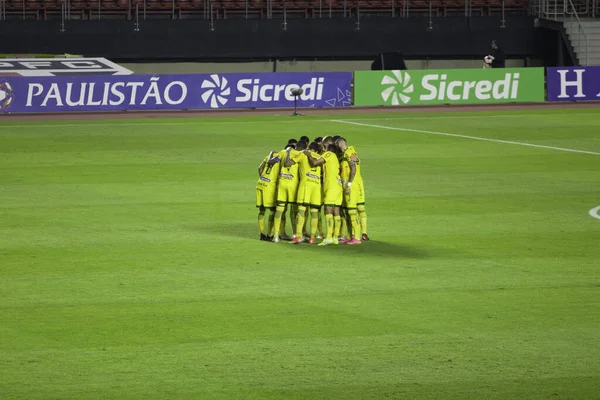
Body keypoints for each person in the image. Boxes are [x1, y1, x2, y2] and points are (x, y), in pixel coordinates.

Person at [304, 142, 343, 246]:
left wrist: (308, 155)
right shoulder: (335, 159)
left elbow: (315, 163)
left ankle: (329, 237)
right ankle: (335, 238)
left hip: (331, 187)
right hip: (338, 186)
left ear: (329, 149)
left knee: (328, 211)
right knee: (336, 211)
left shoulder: (329, 154)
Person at [289, 140, 322, 244]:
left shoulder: (302, 154)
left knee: (301, 211)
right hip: (316, 186)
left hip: (306, 185)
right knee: (314, 213)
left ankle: (298, 236)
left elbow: (288, 163)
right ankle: (312, 238)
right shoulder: (320, 156)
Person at [336, 137, 366, 245]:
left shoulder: (349, 153)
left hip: (351, 188)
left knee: (352, 212)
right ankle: (350, 236)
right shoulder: (349, 153)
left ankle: (357, 237)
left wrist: (349, 184)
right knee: (348, 212)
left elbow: (353, 168)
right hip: (349, 186)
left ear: (339, 144)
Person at [271, 140, 300, 243]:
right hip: (294, 186)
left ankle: (276, 236)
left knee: (280, 210)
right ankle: (296, 234)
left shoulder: (282, 153)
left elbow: (272, 162)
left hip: (282, 184)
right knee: (295, 211)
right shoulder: (298, 154)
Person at [256, 149, 280, 241]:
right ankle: (269, 235)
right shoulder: (281, 159)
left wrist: (263, 178)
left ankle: (262, 234)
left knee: (261, 210)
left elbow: (260, 168)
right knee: (273, 210)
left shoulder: (269, 156)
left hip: (260, 183)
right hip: (269, 187)